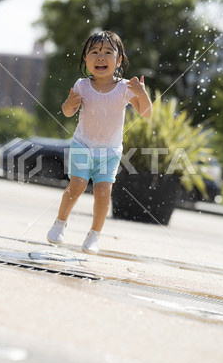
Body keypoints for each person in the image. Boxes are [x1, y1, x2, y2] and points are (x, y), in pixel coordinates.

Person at [46, 30, 152, 254]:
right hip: (83, 144)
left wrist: (142, 94)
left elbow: (147, 114)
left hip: (110, 150)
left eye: (107, 52)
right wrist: (69, 102)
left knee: (104, 192)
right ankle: (60, 223)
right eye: (93, 52)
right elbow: (67, 112)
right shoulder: (83, 85)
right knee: (77, 185)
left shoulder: (124, 88)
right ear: (85, 58)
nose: (100, 57)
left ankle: (94, 234)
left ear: (119, 60)